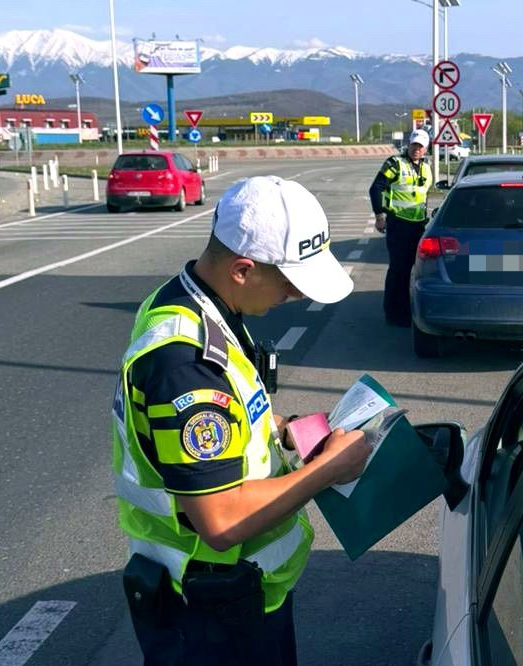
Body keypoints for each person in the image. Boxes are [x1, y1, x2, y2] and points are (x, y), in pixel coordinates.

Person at [111, 175, 374, 666]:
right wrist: (327, 470)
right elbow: (221, 519)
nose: (296, 294)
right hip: (209, 610)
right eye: (290, 282)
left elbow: (227, 411)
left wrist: (281, 428)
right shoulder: (185, 363)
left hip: (233, 595)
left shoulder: (197, 303)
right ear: (242, 269)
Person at [369, 128, 434, 327]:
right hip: (398, 223)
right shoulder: (395, 164)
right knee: (398, 269)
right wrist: (380, 216)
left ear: (426, 149)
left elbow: (422, 195)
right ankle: (394, 313)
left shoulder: (426, 167)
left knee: (414, 270)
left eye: (420, 146)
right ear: (409, 145)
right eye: (414, 145)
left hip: (418, 225)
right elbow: (376, 188)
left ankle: (407, 310)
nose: (416, 149)